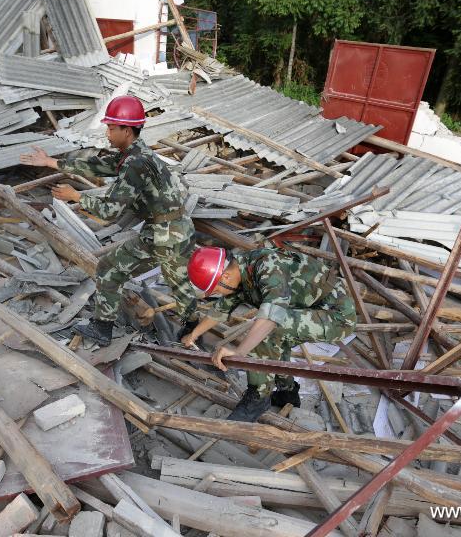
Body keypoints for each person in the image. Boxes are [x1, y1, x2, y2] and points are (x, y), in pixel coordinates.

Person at [19, 95, 197, 346]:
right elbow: (99, 166)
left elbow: (110, 212)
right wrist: (52, 162)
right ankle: (193, 325)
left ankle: (103, 328)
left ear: (127, 130)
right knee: (178, 281)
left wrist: (77, 197)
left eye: (112, 128)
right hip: (179, 228)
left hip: (163, 234)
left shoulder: (135, 163)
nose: (107, 133)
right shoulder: (136, 153)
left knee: (108, 269)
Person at [182, 246, 357, 422]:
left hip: (337, 316)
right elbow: (221, 309)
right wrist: (194, 334)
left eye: (216, 290)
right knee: (278, 337)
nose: (216, 294)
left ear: (225, 276)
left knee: (269, 330)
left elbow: (272, 317)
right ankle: (287, 392)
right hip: (311, 308)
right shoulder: (239, 272)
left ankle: (258, 399)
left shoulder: (267, 266)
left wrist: (239, 352)